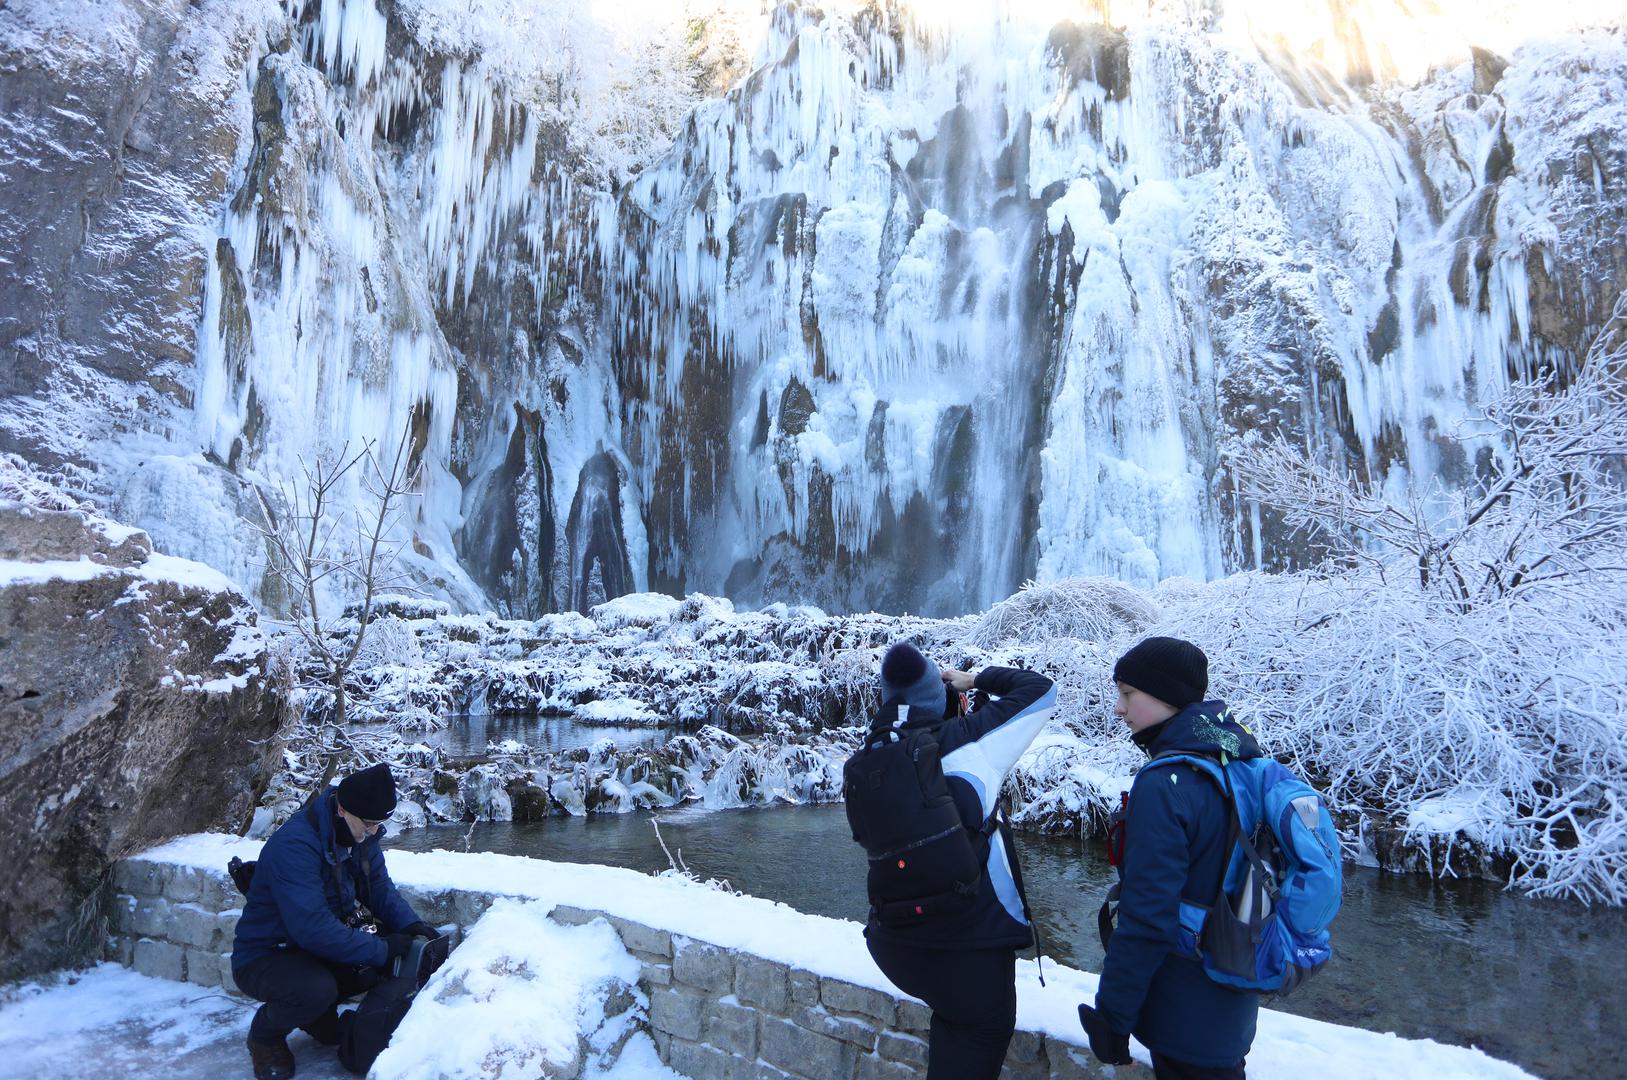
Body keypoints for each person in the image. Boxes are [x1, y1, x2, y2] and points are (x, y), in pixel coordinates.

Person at [862, 642, 1057, 1079]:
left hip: (893, 943)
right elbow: (1041, 690)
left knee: (954, 1026)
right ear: (941, 695)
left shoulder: (870, 755)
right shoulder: (973, 743)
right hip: (969, 951)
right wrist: (974, 680)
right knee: (975, 1031)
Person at [1078, 636, 1262, 1079]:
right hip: (1231, 995)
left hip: (1184, 1006)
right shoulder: (1236, 758)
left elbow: (1148, 918)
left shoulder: (1166, 783)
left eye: (1127, 694)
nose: (1118, 708)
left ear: (1165, 697)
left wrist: (1114, 1019)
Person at [231, 763, 440, 1080]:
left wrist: (410, 926)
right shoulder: (295, 847)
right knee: (316, 989)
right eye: (369, 825)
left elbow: (378, 887)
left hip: (310, 947)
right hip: (267, 954)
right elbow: (312, 928)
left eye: (379, 825)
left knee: (376, 966)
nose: (374, 832)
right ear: (342, 809)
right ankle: (265, 1035)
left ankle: (320, 1021)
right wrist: (381, 949)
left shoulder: (360, 834)